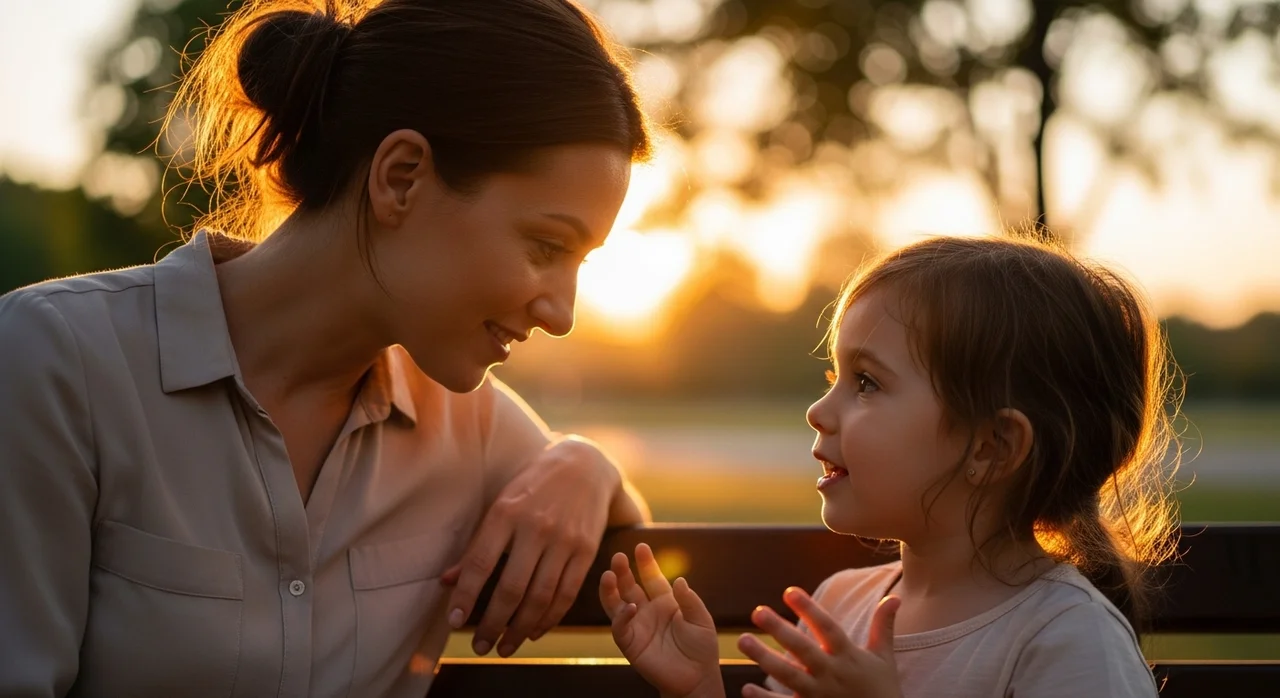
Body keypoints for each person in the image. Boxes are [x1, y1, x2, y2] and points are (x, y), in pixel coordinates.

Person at [0, 0, 654, 695]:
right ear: (400, 176)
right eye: (546, 246)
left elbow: (634, 538)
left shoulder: (471, 424)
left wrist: (586, 465)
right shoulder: (55, 360)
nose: (562, 315)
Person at [600, 234, 1181, 698]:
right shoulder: (837, 606)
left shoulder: (1067, 640)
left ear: (992, 447)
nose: (817, 411)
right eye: (835, 379)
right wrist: (697, 687)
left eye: (867, 382)